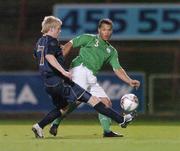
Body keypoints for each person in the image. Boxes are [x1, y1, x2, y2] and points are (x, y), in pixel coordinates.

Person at [32, 16, 135, 138]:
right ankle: (122, 120)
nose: (106, 32)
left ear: (112, 31)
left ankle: (107, 131)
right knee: (77, 101)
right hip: (79, 71)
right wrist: (61, 62)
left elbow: (118, 69)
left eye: (109, 30)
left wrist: (129, 80)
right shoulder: (88, 38)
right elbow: (70, 44)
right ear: (99, 30)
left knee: (105, 102)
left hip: (89, 77)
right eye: (104, 29)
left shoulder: (111, 51)